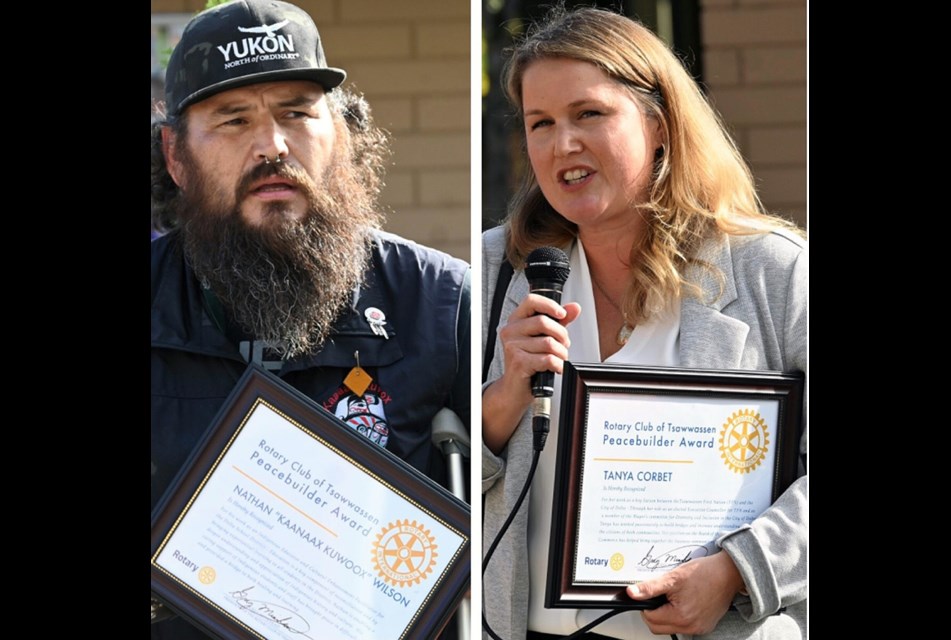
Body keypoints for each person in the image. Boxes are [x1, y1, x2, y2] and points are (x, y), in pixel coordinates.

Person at [481, 6, 806, 640]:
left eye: (589, 114)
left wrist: (740, 570)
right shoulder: (496, 268)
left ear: (658, 126)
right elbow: (434, 466)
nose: (562, 144)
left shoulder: (774, 270)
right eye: (540, 123)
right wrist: (502, 400)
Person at [150, 1, 470, 637]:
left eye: (297, 113)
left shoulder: (441, 302)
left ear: (342, 132)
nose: (272, 145)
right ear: (176, 156)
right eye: (233, 120)